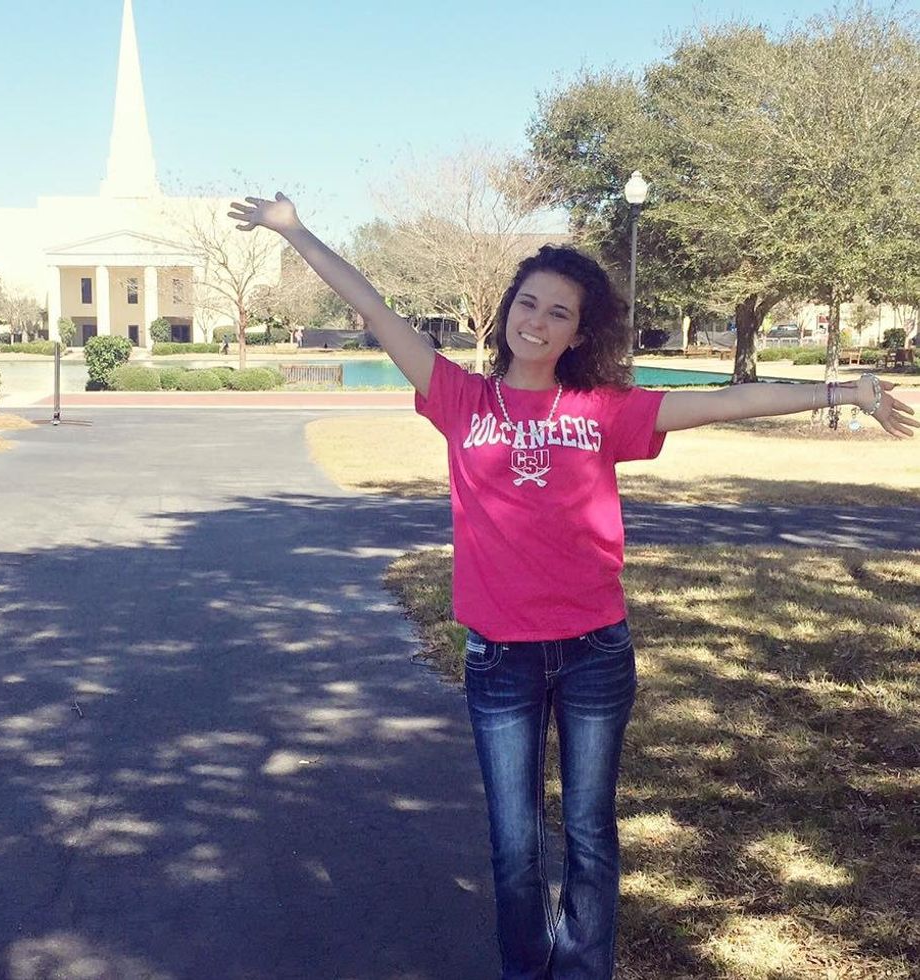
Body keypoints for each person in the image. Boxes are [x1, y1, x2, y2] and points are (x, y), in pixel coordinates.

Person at [228, 192, 916, 980]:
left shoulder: (601, 409)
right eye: (528, 303)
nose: (538, 321)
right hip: (500, 660)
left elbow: (725, 402)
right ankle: (528, 970)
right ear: (508, 309)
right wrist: (295, 231)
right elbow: (376, 310)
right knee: (513, 842)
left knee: (590, 831)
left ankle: (585, 970)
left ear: (578, 333)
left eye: (559, 313)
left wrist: (844, 392)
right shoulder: (460, 398)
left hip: (595, 652)